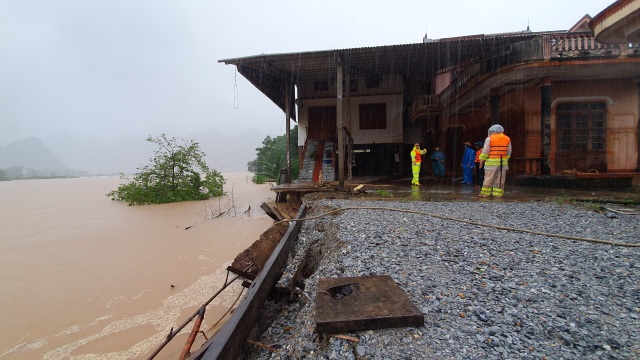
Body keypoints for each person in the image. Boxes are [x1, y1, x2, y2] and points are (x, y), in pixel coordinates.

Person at [478, 124, 512, 198]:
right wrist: (505, 160)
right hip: (502, 163)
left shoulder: (489, 138)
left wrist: (482, 161)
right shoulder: (507, 139)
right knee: (500, 180)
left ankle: (484, 194)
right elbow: (509, 151)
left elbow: (485, 151)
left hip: (491, 163)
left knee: (488, 179)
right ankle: (498, 195)